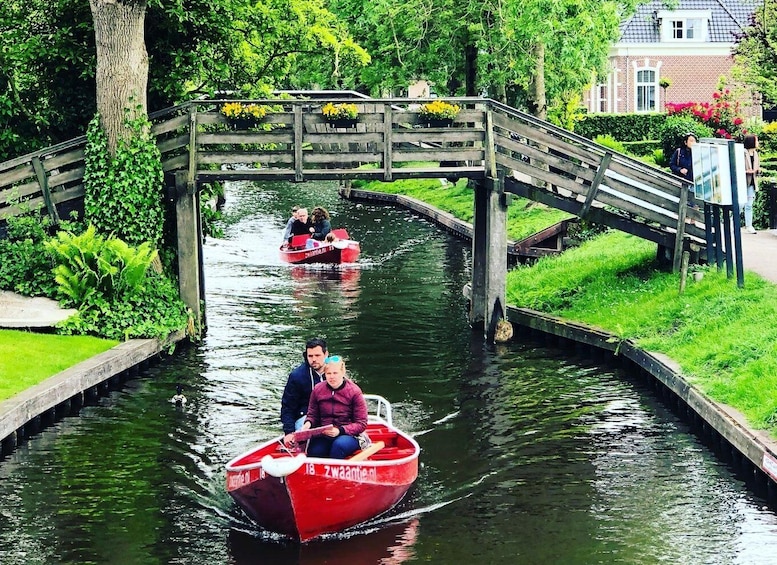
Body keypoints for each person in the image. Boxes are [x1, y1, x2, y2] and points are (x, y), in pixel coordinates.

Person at [298, 355, 367, 459]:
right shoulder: (318, 389)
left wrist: (340, 430)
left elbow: (361, 423)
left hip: (348, 434)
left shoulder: (354, 392)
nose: (332, 377)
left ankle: (335, 472)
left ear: (342, 372)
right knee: (315, 450)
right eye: (328, 373)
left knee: (338, 446)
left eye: (335, 373)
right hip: (324, 433)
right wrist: (308, 424)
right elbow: (313, 414)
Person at [281, 338, 328, 446]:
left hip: (330, 415)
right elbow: (287, 407)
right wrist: (288, 432)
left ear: (325, 354)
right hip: (305, 417)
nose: (314, 359)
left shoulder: (334, 372)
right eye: (310, 356)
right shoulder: (297, 376)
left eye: (317, 355)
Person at [670, 133, 698, 211]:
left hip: (693, 182)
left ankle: (692, 220)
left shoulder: (698, 152)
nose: (693, 143)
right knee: (681, 202)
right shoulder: (679, 152)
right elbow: (672, 165)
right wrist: (680, 170)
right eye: (691, 141)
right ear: (685, 142)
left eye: (694, 141)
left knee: (693, 202)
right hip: (681, 180)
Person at [743, 134, 761, 234]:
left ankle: (749, 225)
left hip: (752, 183)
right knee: (740, 204)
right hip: (743, 182)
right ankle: (732, 223)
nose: (757, 143)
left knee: (749, 205)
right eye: (756, 140)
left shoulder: (756, 154)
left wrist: (757, 171)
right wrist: (746, 171)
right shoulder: (743, 153)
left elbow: (757, 167)